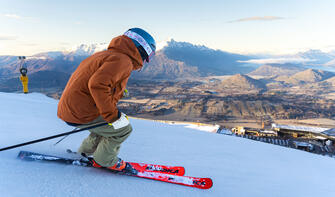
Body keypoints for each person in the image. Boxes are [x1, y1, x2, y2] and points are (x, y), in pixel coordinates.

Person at [57, 28, 156, 171]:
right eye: (148, 56)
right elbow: (97, 84)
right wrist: (112, 116)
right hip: (81, 112)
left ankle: (84, 152)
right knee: (123, 128)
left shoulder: (106, 54)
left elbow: (97, 80)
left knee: (106, 128)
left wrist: (118, 92)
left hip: (71, 109)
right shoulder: (123, 60)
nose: (147, 60)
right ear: (141, 49)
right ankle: (105, 160)